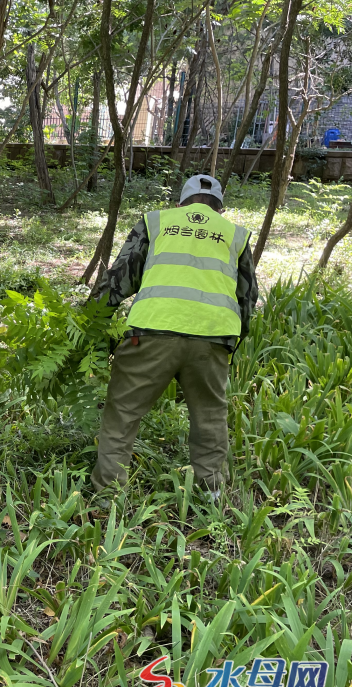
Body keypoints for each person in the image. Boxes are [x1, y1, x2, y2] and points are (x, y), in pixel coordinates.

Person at [90, 174, 259, 501]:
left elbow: (119, 279)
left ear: (180, 203)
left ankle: (109, 499)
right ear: (220, 209)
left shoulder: (157, 222)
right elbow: (247, 297)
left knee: (122, 413)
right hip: (212, 338)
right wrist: (232, 343)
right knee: (210, 415)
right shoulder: (233, 234)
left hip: (150, 332)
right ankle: (211, 495)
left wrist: (92, 327)